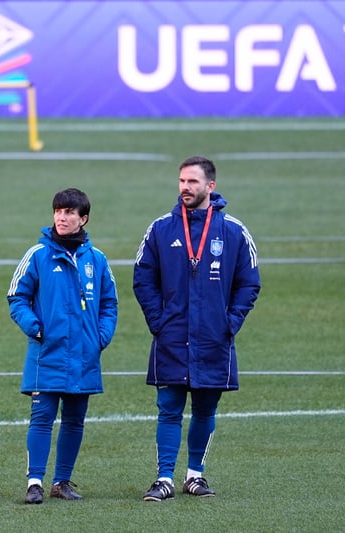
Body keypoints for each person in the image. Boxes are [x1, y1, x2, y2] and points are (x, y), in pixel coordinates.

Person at [133, 155, 260, 502]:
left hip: (213, 338)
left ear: (210, 186)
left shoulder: (233, 230)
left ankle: (194, 475)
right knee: (168, 408)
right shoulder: (161, 228)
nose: (185, 188)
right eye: (181, 181)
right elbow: (142, 278)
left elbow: (249, 282)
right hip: (172, 336)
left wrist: (230, 322)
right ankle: (163, 478)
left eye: (192, 182)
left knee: (205, 411)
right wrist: (158, 321)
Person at [7, 188, 118, 505]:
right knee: (42, 418)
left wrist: (100, 337)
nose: (61, 217)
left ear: (83, 219)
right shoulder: (38, 255)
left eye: (69, 212)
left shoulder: (96, 260)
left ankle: (62, 482)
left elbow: (110, 303)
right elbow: (16, 297)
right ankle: (34, 483)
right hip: (47, 354)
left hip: (84, 355)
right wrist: (35, 327)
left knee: (74, 421)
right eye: (58, 211)